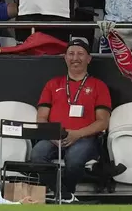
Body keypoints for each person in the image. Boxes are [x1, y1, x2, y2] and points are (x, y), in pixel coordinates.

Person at [31, 39, 112, 203]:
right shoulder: (52, 84)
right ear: (65, 57)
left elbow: (103, 122)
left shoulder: (99, 85)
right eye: (71, 53)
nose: (76, 57)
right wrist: (52, 134)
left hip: (85, 137)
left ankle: (62, 196)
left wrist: (77, 134)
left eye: (81, 53)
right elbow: (41, 117)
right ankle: (66, 197)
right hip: (54, 136)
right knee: (37, 155)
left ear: (89, 59)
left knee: (74, 159)